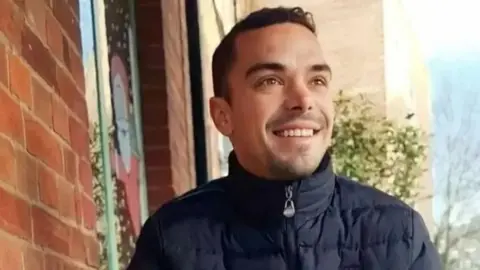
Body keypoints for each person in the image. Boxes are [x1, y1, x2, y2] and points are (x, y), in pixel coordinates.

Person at [127, 6, 441, 269]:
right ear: (223, 115)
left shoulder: (400, 235)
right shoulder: (171, 242)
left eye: (317, 79)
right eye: (271, 80)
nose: (302, 99)